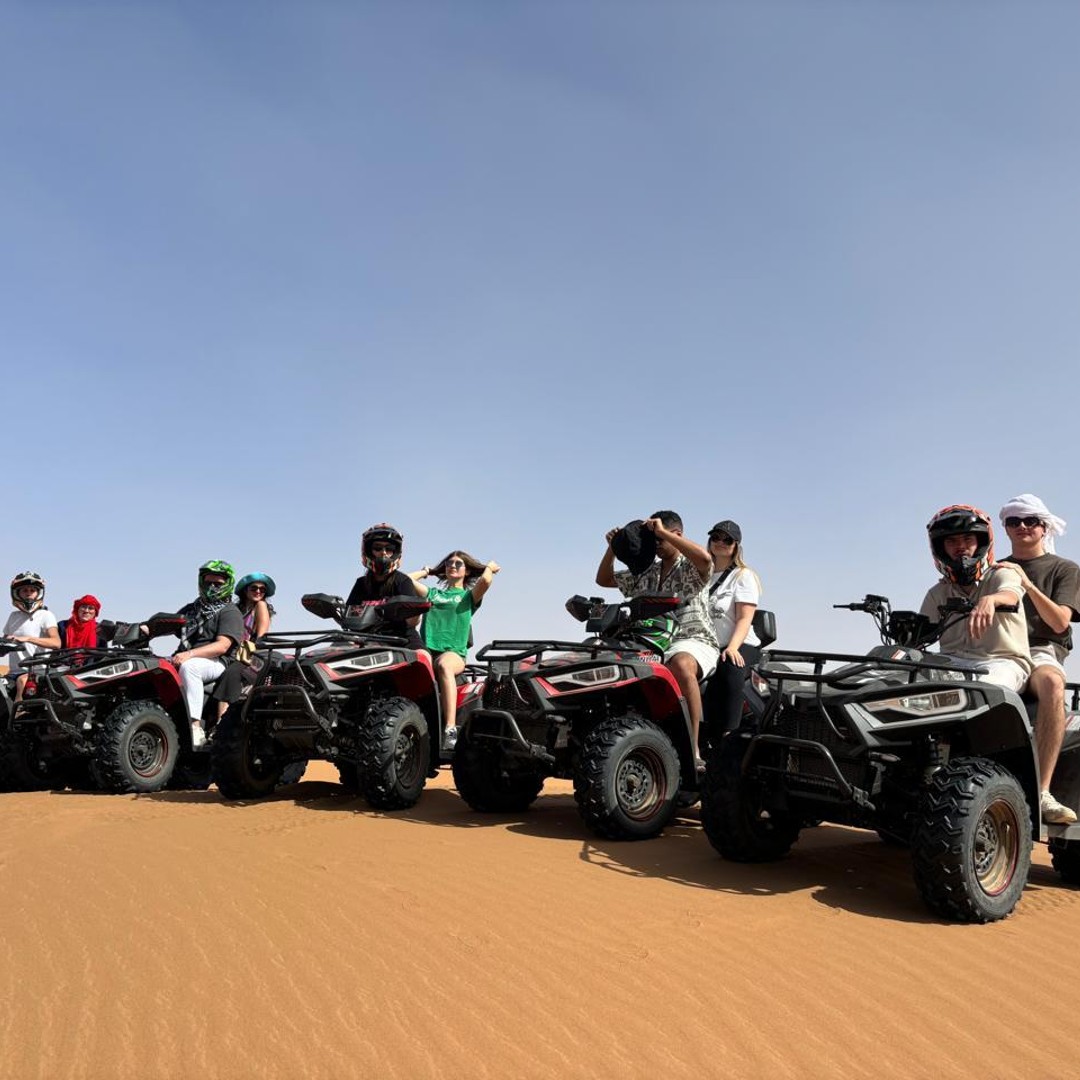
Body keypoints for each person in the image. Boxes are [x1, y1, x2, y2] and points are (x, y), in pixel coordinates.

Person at [597, 511, 719, 768]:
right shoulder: (645, 572)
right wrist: (611, 548)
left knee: (682, 664)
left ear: (676, 535)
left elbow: (707, 559)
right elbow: (604, 579)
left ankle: (693, 749)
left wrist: (662, 532)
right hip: (650, 641)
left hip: (691, 639)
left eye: (659, 540)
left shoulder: (690, 567)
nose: (655, 545)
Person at [997, 494, 1080, 825]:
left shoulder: (1065, 569)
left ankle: (1042, 792)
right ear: (1005, 527)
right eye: (1014, 521)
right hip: (996, 647)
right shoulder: (994, 568)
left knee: (1052, 683)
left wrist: (1026, 583)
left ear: (1044, 527)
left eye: (1030, 521)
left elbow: (1060, 622)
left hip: (1040, 650)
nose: (1022, 527)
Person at [919, 505, 1031, 693]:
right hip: (950, 664)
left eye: (968, 538)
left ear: (980, 542)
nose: (960, 546)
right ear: (941, 548)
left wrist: (991, 600)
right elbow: (921, 635)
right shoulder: (937, 592)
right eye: (951, 541)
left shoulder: (1002, 573)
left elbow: (1011, 595)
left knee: (985, 693)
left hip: (1001, 663)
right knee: (903, 678)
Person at [409, 551, 500, 749]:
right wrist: (427, 571)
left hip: (454, 654)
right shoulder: (434, 594)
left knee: (444, 665)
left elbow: (485, 580)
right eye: (449, 563)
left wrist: (490, 568)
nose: (453, 566)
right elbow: (407, 580)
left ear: (466, 571)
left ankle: (450, 729)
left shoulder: (468, 597)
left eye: (459, 564)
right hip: (427, 651)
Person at [170, 560, 244, 748]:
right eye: (209, 582)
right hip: (187, 656)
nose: (212, 587)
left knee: (190, 668)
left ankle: (194, 727)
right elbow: (169, 623)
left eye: (218, 584)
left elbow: (222, 646)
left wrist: (189, 654)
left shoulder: (230, 612)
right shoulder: (192, 609)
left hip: (216, 662)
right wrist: (146, 628)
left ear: (227, 584)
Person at [702, 520, 763, 738]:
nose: (720, 542)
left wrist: (733, 647)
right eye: (716, 537)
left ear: (736, 546)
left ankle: (729, 734)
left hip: (740, 644)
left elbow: (745, 618)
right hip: (709, 646)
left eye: (727, 539)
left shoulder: (743, 576)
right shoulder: (700, 575)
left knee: (729, 667)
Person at [346, 524, 423, 647]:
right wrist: (331, 610)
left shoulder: (403, 581)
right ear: (368, 551)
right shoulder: (361, 583)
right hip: (364, 637)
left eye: (389, 548)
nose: (383, 553)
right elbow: (349, 618)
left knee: (423, 658)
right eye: (377, 548)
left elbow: (412, 623)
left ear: (396, 552)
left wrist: (416, 610)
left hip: (401, 637)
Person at [212, 573, 276, 720]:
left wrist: (241, 657)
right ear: (245, 590)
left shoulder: (260, 605)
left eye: (262, 589)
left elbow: (261, 636)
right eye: (254, 588)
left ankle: (222, 723)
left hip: (251, 653)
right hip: (231, 651)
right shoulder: (236, 609)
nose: (258, 591)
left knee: (231, 673)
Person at [3, 571, 60, 702]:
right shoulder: (13, 616)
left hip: (37, 671)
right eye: (24, 590)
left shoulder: (46, 615)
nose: (28, 593)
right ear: (17, 593)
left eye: (32, 590)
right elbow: (5, 641)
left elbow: (56, 642)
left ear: (38, 593)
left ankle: (19, 714)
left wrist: (29, 639)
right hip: (13, 672)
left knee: (22, 682)